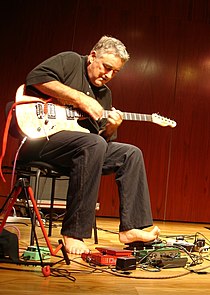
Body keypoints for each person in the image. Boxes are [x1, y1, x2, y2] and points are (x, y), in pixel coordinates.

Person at [19, 35, 160, 254]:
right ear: (92, 56)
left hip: (81, 151)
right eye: (106, 67)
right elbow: (36, 77)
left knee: (130, 153)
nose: (109, 75)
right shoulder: (71, 61)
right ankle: (74, 233)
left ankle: (132, 228)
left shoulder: (105, 95)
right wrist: (80, 98)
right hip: (41, 141)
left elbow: (100, 144)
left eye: (115, 72)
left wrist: (111, 128)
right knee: (92, 144)